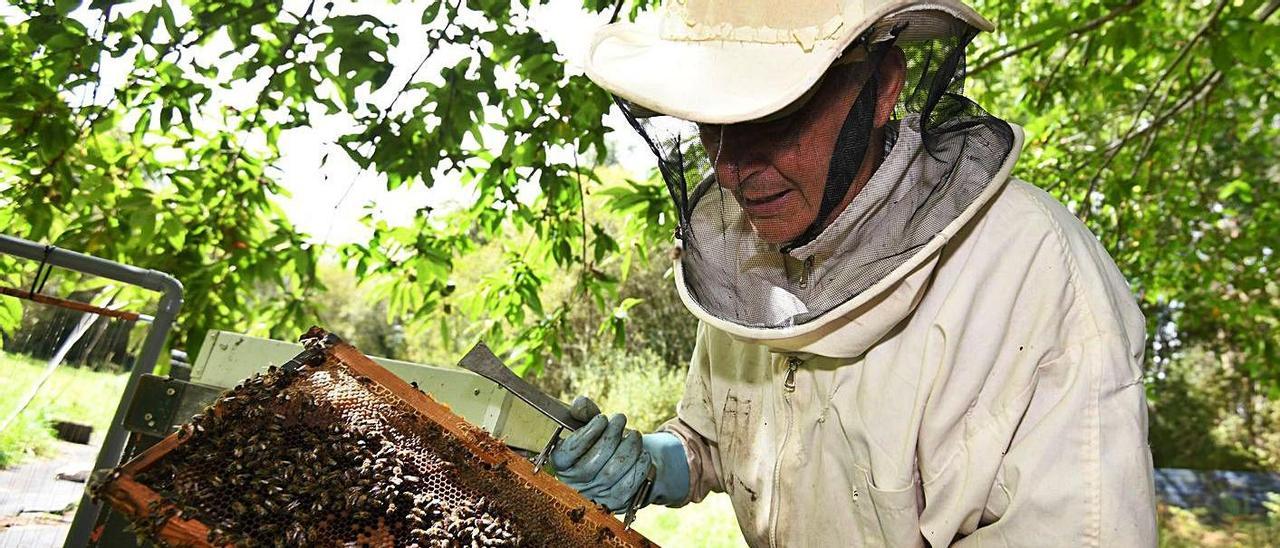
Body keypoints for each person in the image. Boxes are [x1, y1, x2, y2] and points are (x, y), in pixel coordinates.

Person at [551, 0, 1158, 545]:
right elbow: (721, 438)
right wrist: (653, 462)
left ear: (882, 88)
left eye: (774, 119)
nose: (735, 172)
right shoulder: (747, 254)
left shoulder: (1030, 271)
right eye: (713, 127)